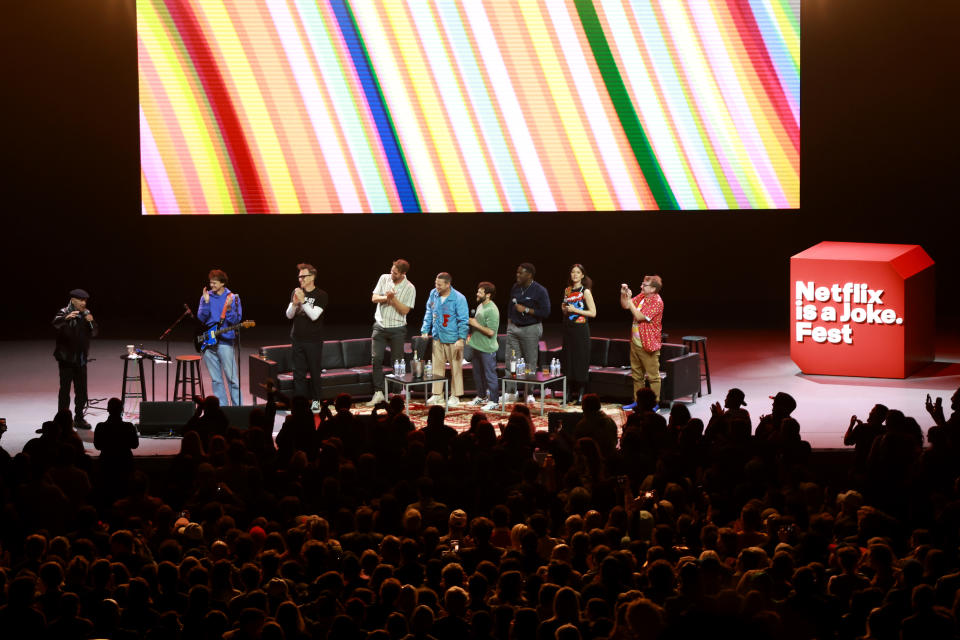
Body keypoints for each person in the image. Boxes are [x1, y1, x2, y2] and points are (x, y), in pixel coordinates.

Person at [369, 259, 416, 406]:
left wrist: (393, 299)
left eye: (395, 273)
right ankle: (378, 392)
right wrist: (386, 297)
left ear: (403, 273)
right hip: (380, 326)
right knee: (376, 359)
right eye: (391, 270)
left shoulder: (410, 287)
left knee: (397, 362)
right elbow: (374, 298)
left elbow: (404, 310)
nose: (391, 274)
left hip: (397, 328)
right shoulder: (384, 278)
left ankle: (395, 394)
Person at [421, 272, 469, 407]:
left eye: (440, 285)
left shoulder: (459, 298)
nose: (437, 287)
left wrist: (461, 339)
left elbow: (463, 320)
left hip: (453, 338)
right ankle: (437, 394)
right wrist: (425, 329)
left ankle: (455, 395)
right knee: (437, 367)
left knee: (456, 368)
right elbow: (429, 311)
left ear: (448, 284)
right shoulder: (433, 294)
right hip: (437, 337)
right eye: (436, 284)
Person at [505, 263, 551, 403]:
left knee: (529, 363)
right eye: (517, 272)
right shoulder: (515, 287)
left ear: (529, 275)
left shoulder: (540, 291)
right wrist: (509, 324)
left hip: (530, 329)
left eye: (521, 273)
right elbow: (510, 306)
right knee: (511, 362)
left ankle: (529, 393)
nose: (517, 275)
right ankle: (511, 392)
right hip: (514, 329)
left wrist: (526, 310)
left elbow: (546, 312)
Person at [53, 288, 98, 429]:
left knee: (82, 392)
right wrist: (66, 319)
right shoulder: (64, 311)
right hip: (66, 360)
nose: (84, 303)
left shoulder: (86, 314)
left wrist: (92, 322)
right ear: (73, 300)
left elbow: (95, 332)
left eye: (85, 300)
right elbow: (55, 323)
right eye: (81, 300)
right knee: (65, 391)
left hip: (81, 360)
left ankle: (79, 418)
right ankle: (62, 420)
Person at [285, 263, 328, 412]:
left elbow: (315, 316)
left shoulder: (321, 295)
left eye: (303, 276)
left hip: (313, 341)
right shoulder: (296, 292)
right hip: (297, 339)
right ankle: (300, 403)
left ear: (312, 277)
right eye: (299, 277)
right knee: (298, 373)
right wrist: (294, 304)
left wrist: (303, 301)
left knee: (315, 372)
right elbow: (289, 315)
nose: (300, 279)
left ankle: (316, 400)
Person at [197, 269, 243, 406]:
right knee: (216, 380)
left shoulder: (233, 297)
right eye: (210, 282)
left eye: (215, 283)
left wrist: (228, 309)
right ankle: (222, 408)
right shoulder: (206, 297)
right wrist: (205, 302)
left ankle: (238, 408)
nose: (211, 285)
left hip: (225, 343)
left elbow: (236, 320)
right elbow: (201, 318)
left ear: (222, 283)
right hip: (208, 342)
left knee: (232, 379)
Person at [619, 275, 664, 409]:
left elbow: (638, 316)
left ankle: (654, 403)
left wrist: (630, 301)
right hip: (635, 343)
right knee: (637, 375)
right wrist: (624, 295)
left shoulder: (657, 302)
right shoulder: (643, 297)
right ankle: (638, 401)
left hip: (649, 344)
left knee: (653, 377)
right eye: (642, 284)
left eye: (644, 285)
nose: (641, 287)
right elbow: (626, 305)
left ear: (653, 289)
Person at [560, 264, 596, 405]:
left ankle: (581, 393)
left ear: (582, 275)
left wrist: (576, 310)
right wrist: (564, 309)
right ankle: (568, 392)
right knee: (568, 359)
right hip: (568, 329)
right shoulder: (567, 290)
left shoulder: (585, 291)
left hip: (581, 329)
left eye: (578, 272)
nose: (575, 275)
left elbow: (593, 313)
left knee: (580, 360)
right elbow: (565, 310)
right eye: (572, 272)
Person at [468, 282, 500, 412]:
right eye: (478, 291)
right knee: (477, 374)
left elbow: (491, 332)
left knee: (490, 375)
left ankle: (494, 401)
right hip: (476, 346)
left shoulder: (492, 310)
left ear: (488, 295)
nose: (477, 294)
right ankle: (481, 396)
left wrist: (475, 324)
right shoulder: (481, 305)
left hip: (487, 348)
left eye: (480, 292)